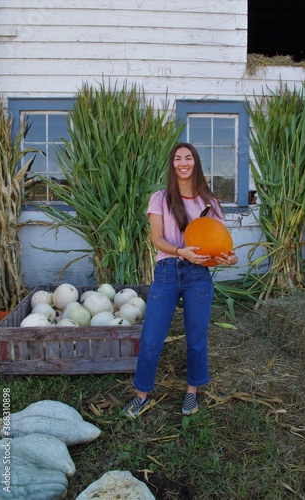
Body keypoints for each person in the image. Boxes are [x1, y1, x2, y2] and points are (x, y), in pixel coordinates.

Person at [123, 142, 238, 418]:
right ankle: (142, 395)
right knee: (151, 337)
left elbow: (220, 244)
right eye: (177, 158)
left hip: (198, 275)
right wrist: (179, 251)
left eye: (188, 158)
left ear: (195, 163)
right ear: (172, 164)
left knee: (196, 338)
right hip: (167, 271)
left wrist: (230, 259)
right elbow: (157, 239)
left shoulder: (208, 201)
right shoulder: (160, 198)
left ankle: (191, 392)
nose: (183, 162)